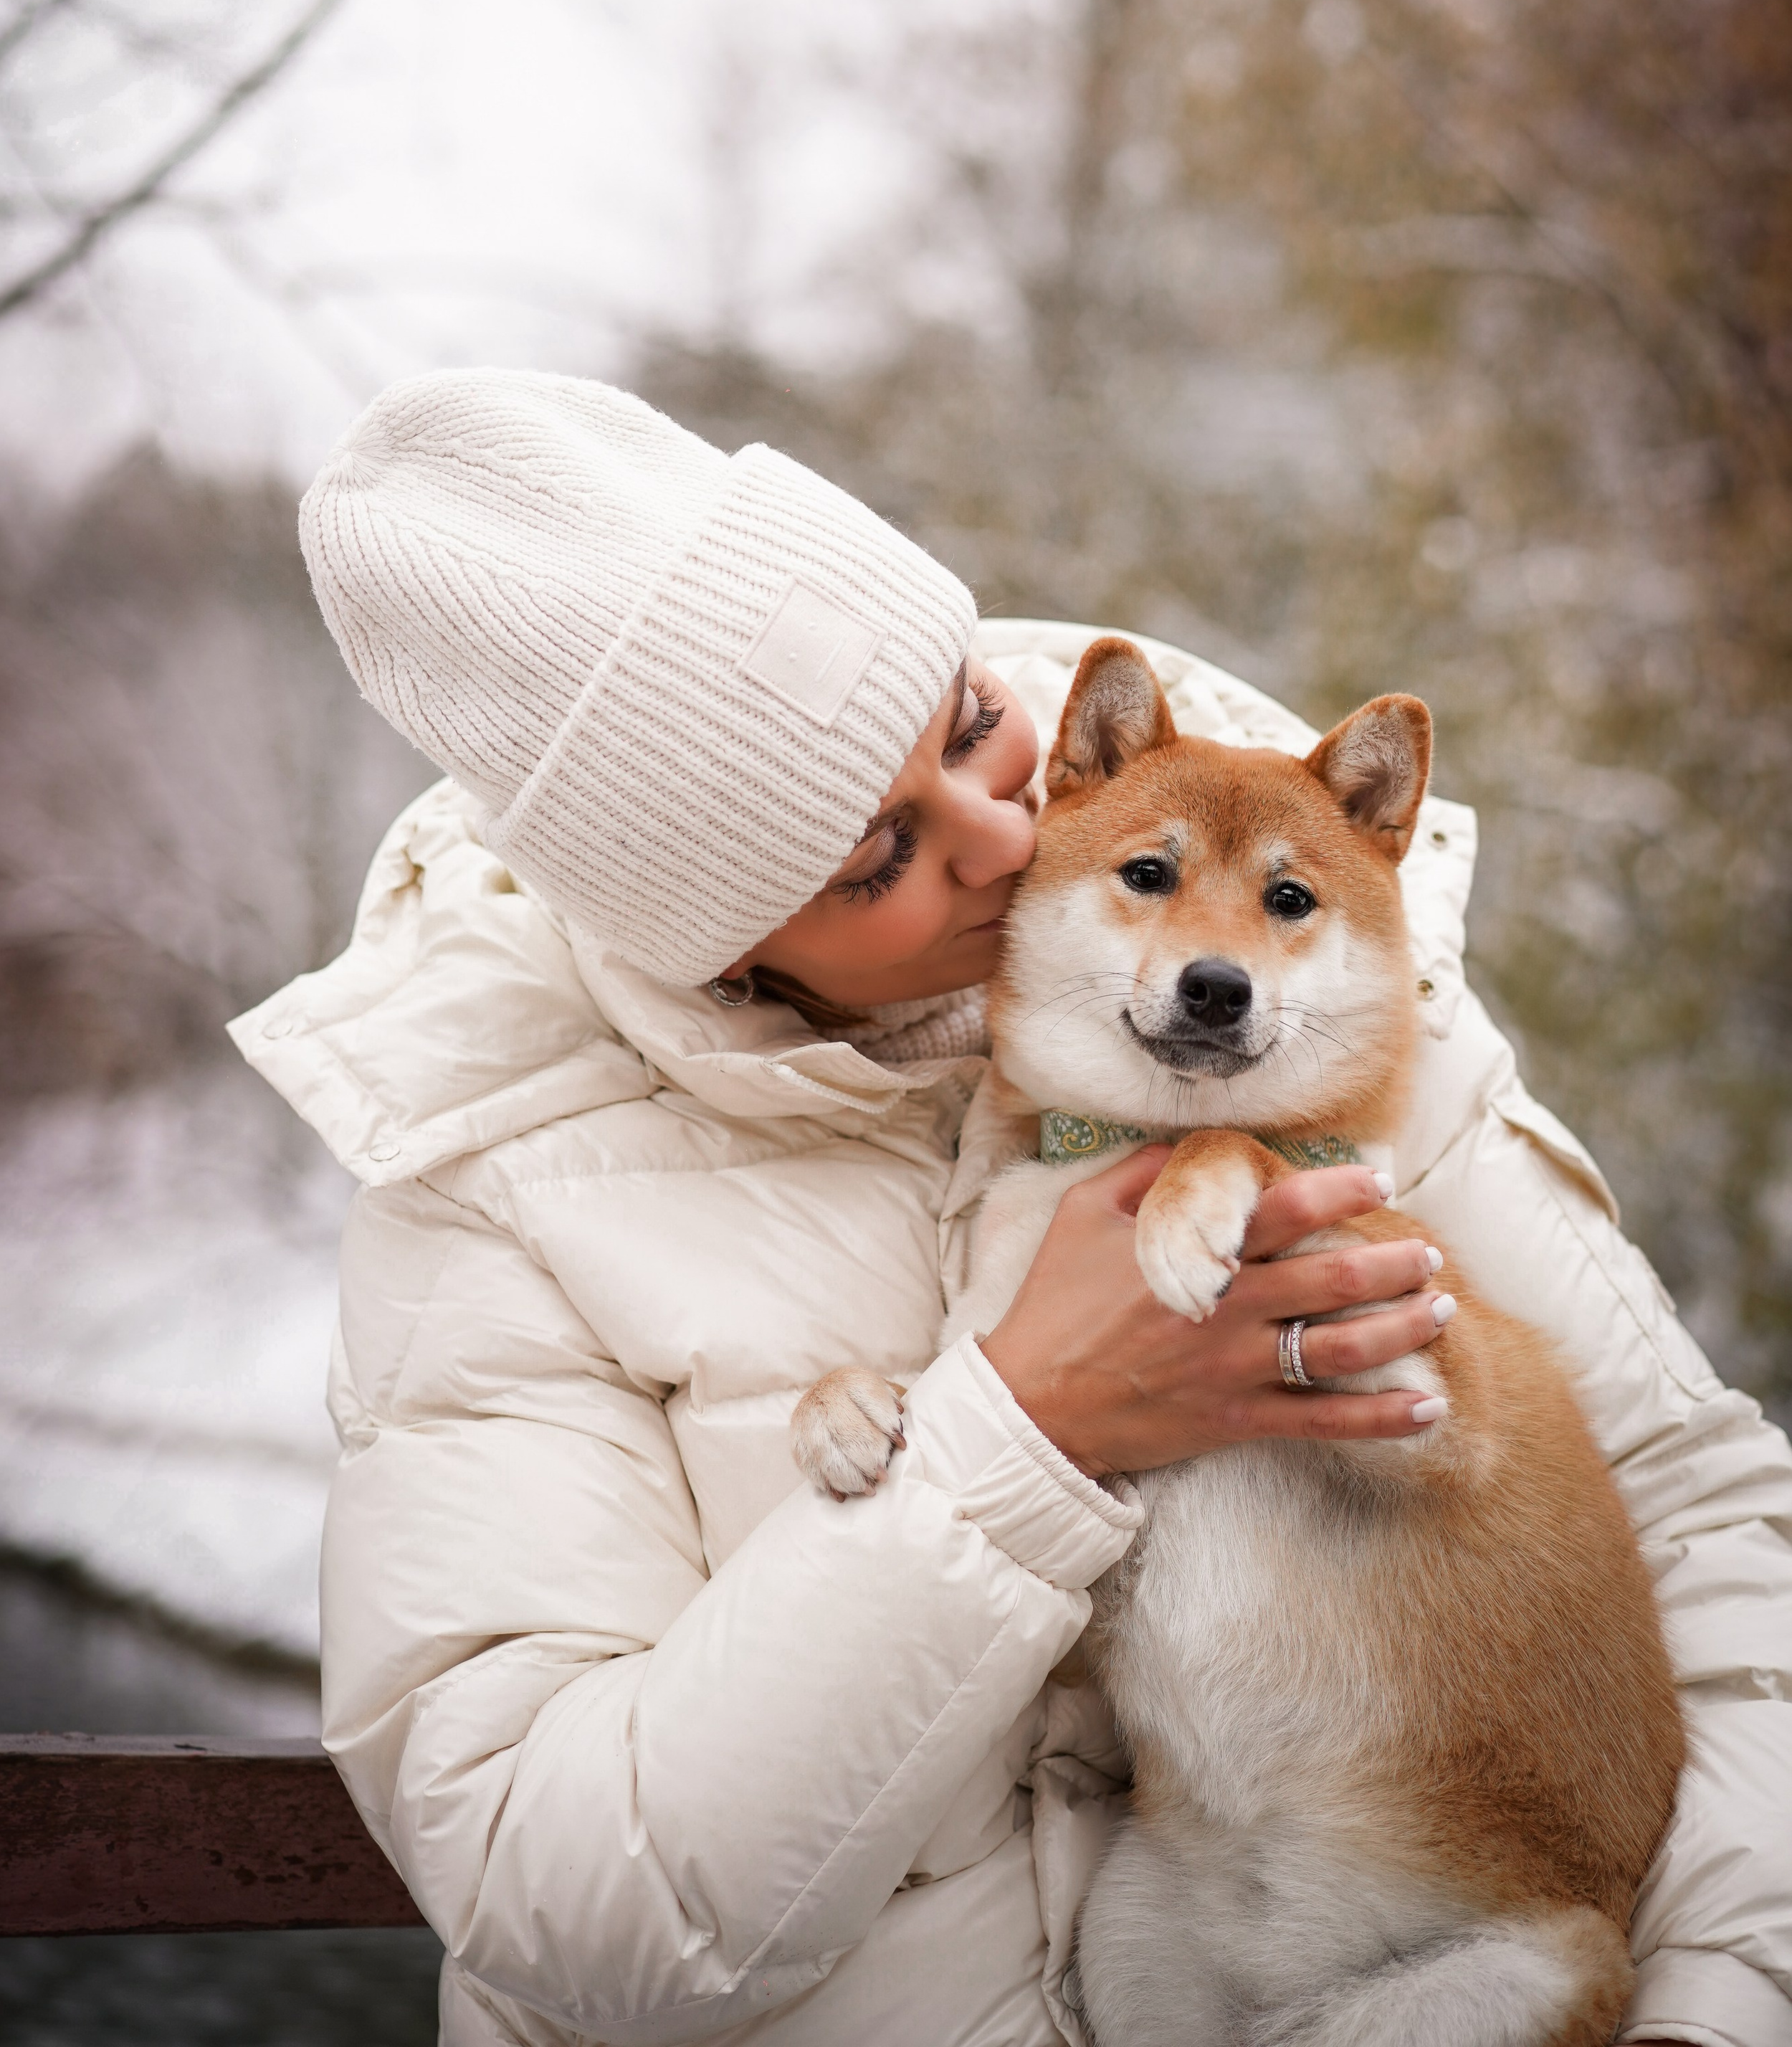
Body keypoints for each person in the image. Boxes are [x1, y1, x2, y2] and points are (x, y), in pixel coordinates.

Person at [234, 370, 1792, 2047]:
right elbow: (558, 1891)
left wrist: (1712, 2008)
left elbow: (1702, 1523)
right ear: (721, 947)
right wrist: (1019, 1436)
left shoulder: (1338, 1025)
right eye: (870, 856)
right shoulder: (494, 1187)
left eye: (972, 723)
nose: (1004, 836)